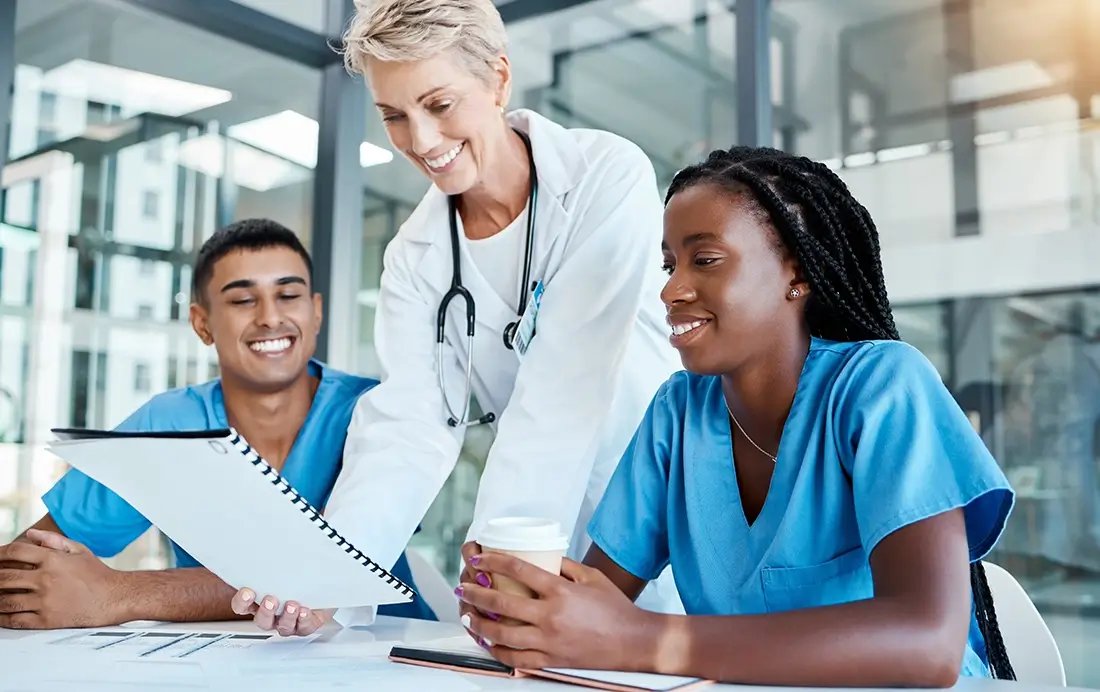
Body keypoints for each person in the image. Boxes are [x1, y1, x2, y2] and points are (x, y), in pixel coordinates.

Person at [454, 146, 1018, 687]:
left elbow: (929, 643)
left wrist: (652, 642)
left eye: (705, 260)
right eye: (670, 264)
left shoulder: (881, 387)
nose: (672, 289)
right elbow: (598, 604)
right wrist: (523, 603)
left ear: (796, 272)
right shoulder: (679, 414)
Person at [230, 0, 683, 635]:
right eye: (394, 116)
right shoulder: (414, 257)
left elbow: (563, 391)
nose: (421, 141)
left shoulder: (603, 176)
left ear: (499, 79)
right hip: (541, 535)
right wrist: (328, 578)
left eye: (439, 105)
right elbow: (408, 426)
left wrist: (498, 567)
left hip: (661, 514)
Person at [0, 219, 433, 631]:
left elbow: (320, 573)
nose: (269, 317)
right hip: (227, 665)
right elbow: (25, 569)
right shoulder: (168, 421)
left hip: (392, 654)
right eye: (243, 300)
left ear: (315, 312)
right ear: (202, 323)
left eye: (288, 295)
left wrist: (117, 592)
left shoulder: (375, 411)